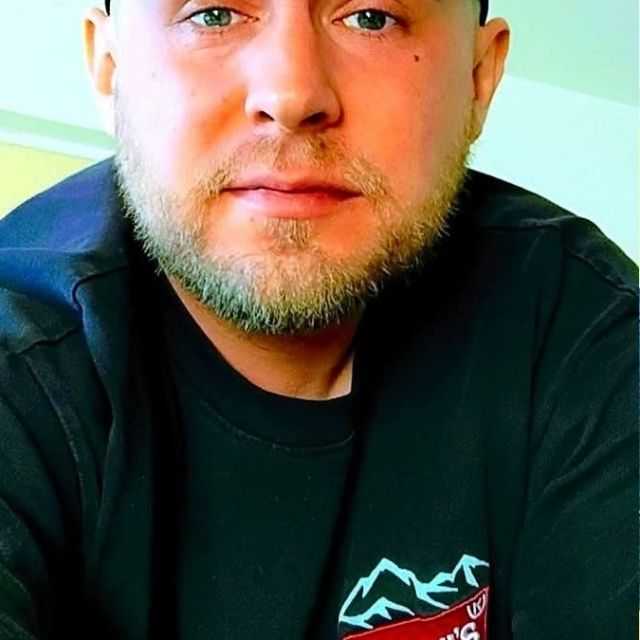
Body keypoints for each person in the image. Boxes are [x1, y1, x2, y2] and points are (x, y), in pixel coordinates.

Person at [0, 0, 636, 638]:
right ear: (111, 68)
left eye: (371, 17)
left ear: (479, 77)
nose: (292, 94)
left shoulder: (581, 324)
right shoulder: (20, 354)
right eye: (213, 14)